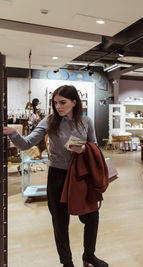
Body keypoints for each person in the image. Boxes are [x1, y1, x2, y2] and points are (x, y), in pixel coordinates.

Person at [3, 85, 107, 267]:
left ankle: (89, 256)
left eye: (63, 102)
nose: (58, 106)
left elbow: (95, 146)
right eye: (55, 103)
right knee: (60, 222)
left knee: (92, 216)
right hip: (57, 177)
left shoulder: (86, 121)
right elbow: (27, 144)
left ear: (75, 102)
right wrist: (14, 134)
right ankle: (67, 262)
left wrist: (84, 149)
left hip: (81, 176)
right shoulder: (49, 121)